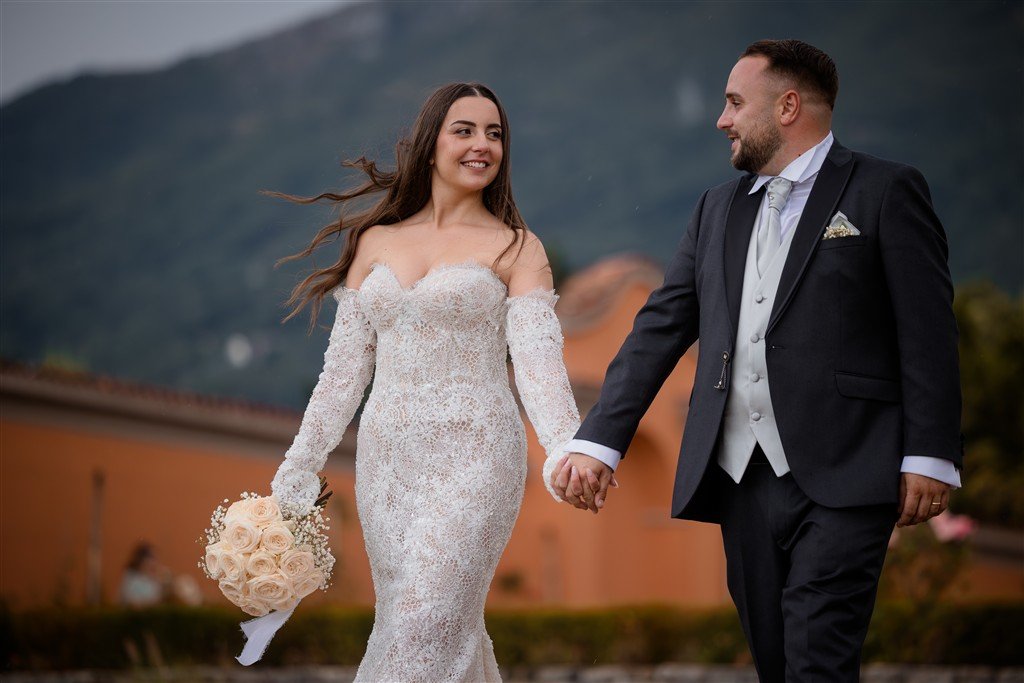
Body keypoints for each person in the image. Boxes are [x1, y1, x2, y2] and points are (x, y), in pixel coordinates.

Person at [550, 40, 962, 681]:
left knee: (818, 658)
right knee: (775, 660)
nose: (723, 119)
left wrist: (929, 454)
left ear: (788, 107)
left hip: (849, 469)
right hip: (739, 475)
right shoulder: (716, 207)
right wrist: (600, 441)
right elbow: (660, 328)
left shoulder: (885, 190)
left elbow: (928, 331)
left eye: (735, 103)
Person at [269, 83, 579, 682]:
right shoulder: (374, 242)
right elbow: (342, 375)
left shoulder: (517, 248)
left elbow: (539, 366)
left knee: (424, 622)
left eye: (494, 134)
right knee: (412, 624)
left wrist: (565, 449)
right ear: (431, 143)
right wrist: (299, 464)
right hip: (387, 463)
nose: (482, 144)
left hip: (477, 457)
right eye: (465, 130)